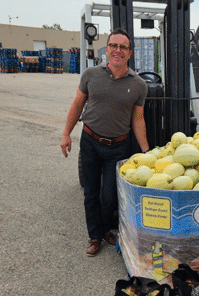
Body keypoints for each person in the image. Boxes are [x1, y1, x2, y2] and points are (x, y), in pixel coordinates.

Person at [60, 28, 150, 257]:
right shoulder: (91, 75)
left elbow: (138, 119)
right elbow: (77, 105)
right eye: (114, 46)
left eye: (123, 47)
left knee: (109, 196)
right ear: (107, 49)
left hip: (118, 147)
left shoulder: (139, 84)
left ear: (130, 52)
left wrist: (147, 151)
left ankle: (105, 228)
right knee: (91, 192)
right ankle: (95, 236)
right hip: (90, 141)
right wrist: (66, 134)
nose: (118, 50)